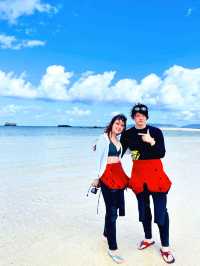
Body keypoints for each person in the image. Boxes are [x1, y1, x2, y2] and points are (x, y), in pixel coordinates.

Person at [120, 103, 175, 264]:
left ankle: (165, 247)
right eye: (137, 115)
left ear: (147, 117)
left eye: (143, 115)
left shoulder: (156, 132)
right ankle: (148, 238)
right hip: (138, 177)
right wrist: (104, 144)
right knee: (144, 211)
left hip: (156, 177)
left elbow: (161, 153)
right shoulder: (128, 134)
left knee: (161, 213)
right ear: (133, 117)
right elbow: (120, 151)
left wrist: (151, 141)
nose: (140, 117)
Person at [91, 114, 129, 264]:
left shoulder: (119, 141)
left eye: (122, 125)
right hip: (107, 175)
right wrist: (95, 177)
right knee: (112, 211)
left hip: (118, 174)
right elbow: (97, 159)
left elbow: (124, 155)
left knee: (115, 209)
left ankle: (107, 232)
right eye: (117, 123)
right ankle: (112, 248)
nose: (119, 127)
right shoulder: (103, 138)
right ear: (112, 124)